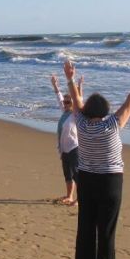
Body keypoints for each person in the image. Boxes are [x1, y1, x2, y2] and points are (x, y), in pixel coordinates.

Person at [64, 59, 130, 259]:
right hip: (110, 181)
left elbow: (75, 100)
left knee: (86, 225)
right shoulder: (112, 124)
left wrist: (70, 79)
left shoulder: (80, 123)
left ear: (86, 109)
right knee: (106, 228)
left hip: (87, 179)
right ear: (105, 110)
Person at [50, 73, 81, 206]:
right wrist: (55, 85)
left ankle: (80, 199)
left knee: (77, 176)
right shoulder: (64, 112)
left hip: (74, 149)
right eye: (65, 102)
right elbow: (59, 97)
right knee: (67, 175)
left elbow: (79, 99)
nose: (65, 103)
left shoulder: (75, 115)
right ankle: (69, 196)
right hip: (64, 150)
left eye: (68, 102)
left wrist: (79, 87)